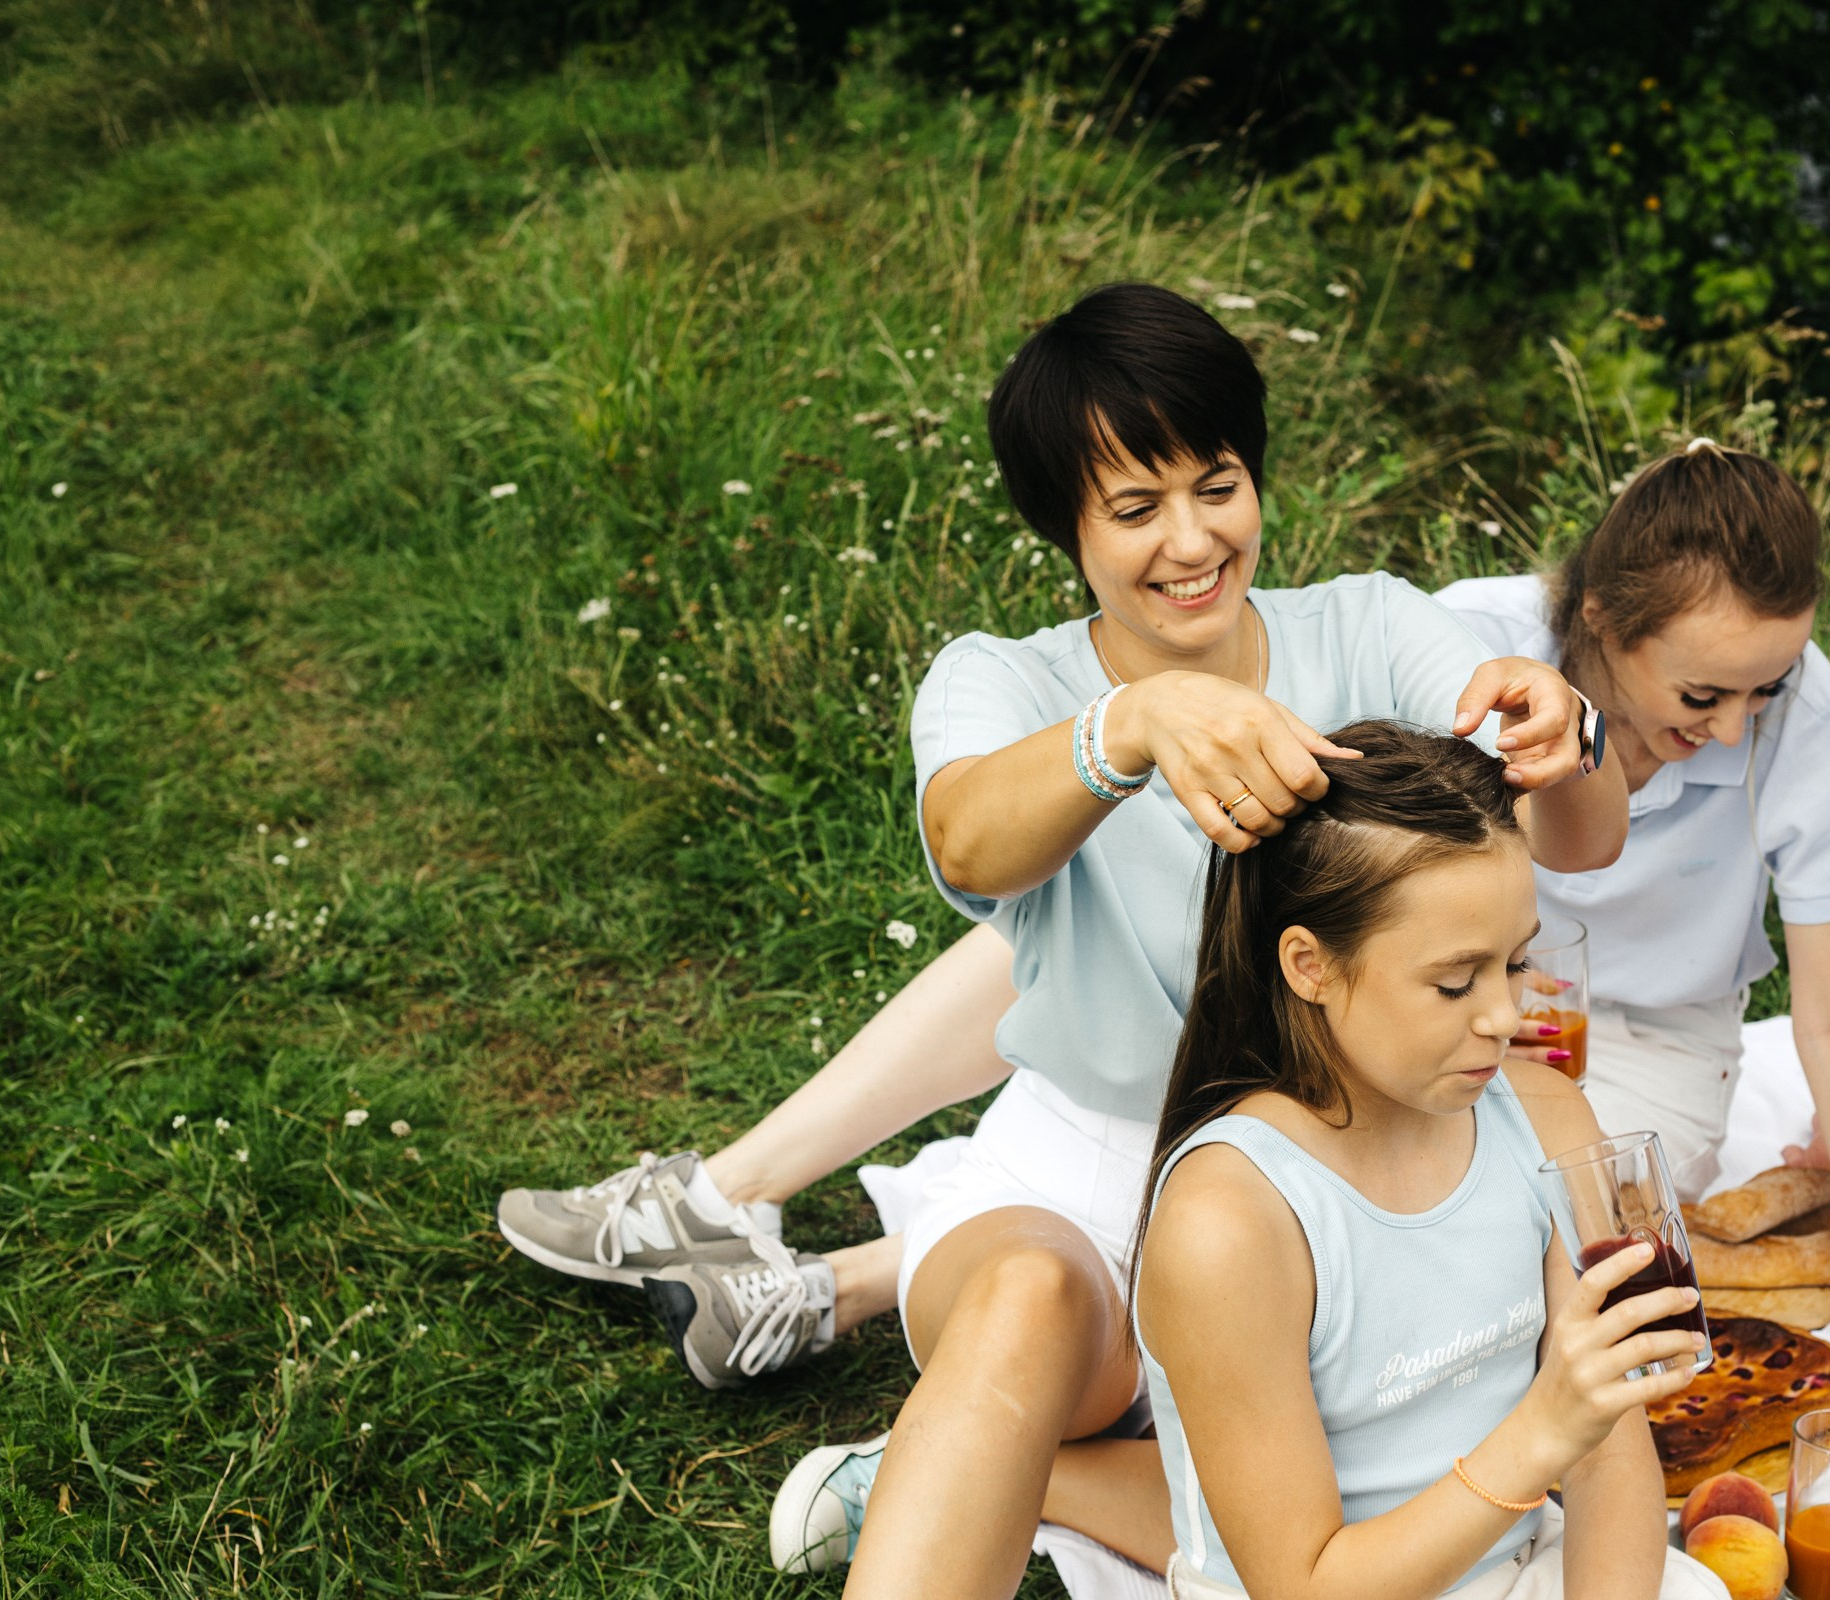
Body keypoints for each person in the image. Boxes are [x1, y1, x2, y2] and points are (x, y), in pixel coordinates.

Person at [626, 282, 1624, 1593]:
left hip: (1346, 1165)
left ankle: (978, 1475)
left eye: (1216, 485)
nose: (1191, 540)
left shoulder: (1370, 626)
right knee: (1025, 1307)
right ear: (1067, 527)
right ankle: (994, 1445)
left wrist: (1567, 729)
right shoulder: (1007, 681)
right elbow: (968, 840)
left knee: (1376, 1469)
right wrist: (1131, 727)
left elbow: (1574, 834)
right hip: (1089, 1187)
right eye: (1135, 508)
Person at [1432, 441, 1830, 1441]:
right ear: (1601, 618)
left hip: (1663, 1036)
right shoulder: (1463, 649)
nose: (1740, 730)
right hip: (1474, 997)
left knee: (1573, 1240)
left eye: (1767, 691)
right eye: (1702, 696)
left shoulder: (1815, 722)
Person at [1119, 719, 1721, 1600]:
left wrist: (1580, 1425)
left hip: (1513, 1564)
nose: (1505, 1018)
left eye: (1516, 964)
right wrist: (1546, 1429)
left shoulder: (1545, 1115)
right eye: (1454, 982)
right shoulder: (1234, 1219)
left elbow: (1608, 1457)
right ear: (1309, 965)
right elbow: (1303, 1584)